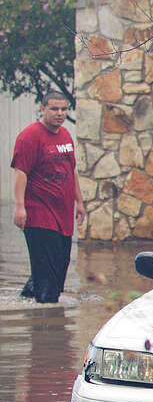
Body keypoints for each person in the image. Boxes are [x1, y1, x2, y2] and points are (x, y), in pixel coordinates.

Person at [11, 92, 86, 303]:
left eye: (64, 109)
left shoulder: (65, 136)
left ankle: (24, 303)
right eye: (54, 109)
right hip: (39, 215)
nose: (60, 113)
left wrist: (79, 202)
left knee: (57, 266)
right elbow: (21, 172)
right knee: (49, 276)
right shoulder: (29, 136)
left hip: (62, 217)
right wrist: (19, 207)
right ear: (42, 109)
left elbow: (71, 171)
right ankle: (46, 326)